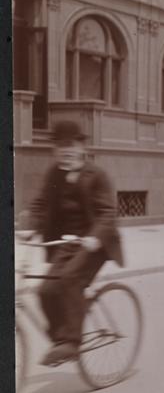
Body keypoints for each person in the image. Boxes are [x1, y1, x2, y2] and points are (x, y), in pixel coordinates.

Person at [24, 120, 124, 366]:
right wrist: (28, 227)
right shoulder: (54, 173)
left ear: (81, 147)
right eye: (60, 146)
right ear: (54, 150)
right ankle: (60, 340)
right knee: (45, 290)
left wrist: (94, 237)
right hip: (66, 244)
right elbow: (40, 204)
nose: (65, 151)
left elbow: (108, 212)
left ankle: (72, 342)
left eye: (70, 145)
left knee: (70, 279)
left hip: (95, 244)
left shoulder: (96, 175)